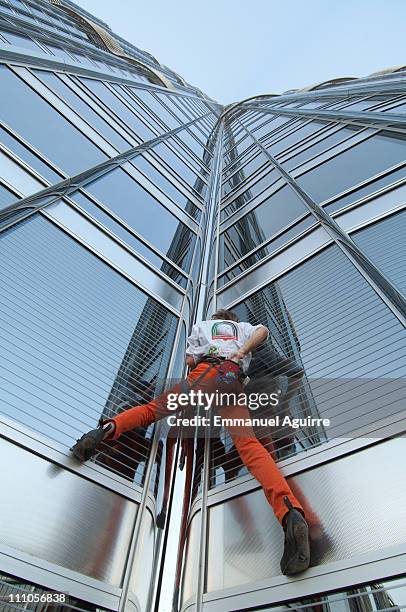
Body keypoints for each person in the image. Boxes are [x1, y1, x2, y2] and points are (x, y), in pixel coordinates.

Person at [71, 309, 311, 576]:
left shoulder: (201, 327)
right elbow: (263, 331)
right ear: (231, 320)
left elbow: (188, 360)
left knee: (153, 411)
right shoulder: (242, 327)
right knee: (250, 448)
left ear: (215, 318)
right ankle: (290, 513)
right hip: (232, 380)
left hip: (206, 372)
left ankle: (102, 433)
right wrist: (241, 352)